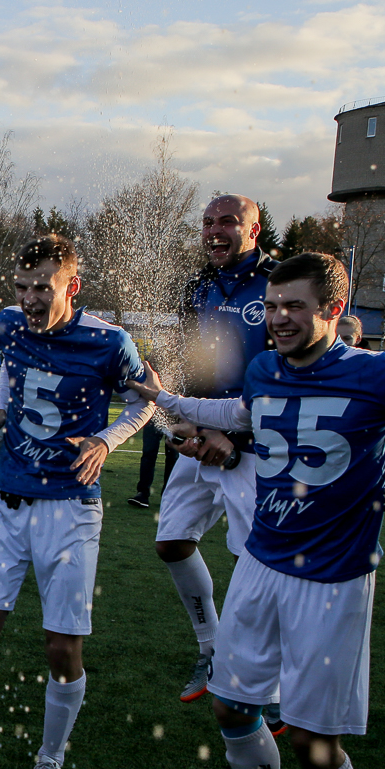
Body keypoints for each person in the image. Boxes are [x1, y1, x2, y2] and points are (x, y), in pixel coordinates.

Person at [129, 253, 385, 769]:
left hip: (333, 578)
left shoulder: (384, 374)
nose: (279, 318)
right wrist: (168, 399)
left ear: (334, 311)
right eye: (274, 306)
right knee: (232, 706)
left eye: (295, 307)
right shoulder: (264, 367)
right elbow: (245, 413)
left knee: (315, 734)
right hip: (261, 561)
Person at [0, 234, 152, 769]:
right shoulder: (10, 325)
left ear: (72, 287)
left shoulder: (109, 341)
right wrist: (0, 414)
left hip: (70, 508)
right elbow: (12, 367)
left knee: (62, 647)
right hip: (5, 498)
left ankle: (49, 762)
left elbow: (146, 400)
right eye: (23, 287)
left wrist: (106, 441)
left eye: (44, 288)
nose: (31, 299)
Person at [155, 195, 279, 714]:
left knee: (257, 565)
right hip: (202, 436)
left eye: (227, 221)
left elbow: (287, 371)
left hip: (254, 448)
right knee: (171, 541)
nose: (214, 230)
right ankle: (211, 647)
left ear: (253, 230)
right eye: (207, 222)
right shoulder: (197, 285)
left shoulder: (278, 282)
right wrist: (180, 426)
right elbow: (184, 364)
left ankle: (269, 688)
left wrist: (238, 438)